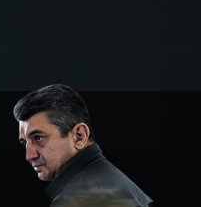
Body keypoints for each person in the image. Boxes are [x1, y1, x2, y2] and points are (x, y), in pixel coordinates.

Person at [13, 84, 153, 207]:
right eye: (25, 142)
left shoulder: (74, 201)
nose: (29, 156)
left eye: (38, 138)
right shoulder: (121, 185)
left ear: (79, 136)